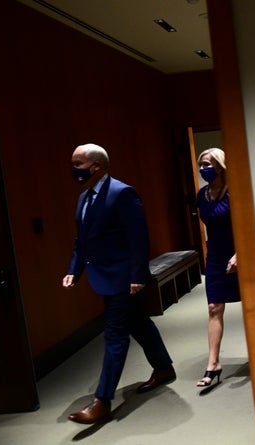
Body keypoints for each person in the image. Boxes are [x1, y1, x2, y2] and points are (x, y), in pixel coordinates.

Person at [63, 143, 176, 424]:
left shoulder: (121, 193)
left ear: (97, 166)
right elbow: (83, 240)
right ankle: (164, 368)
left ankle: (102, 400)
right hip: (103, 275)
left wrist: (139, 275)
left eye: (78, 163)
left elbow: (138, 238)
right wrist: (74, 270)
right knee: (139, 322)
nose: (73, 169)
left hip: (123, 278)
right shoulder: (83, 198)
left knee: (115, 335)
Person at [195, 148, 240, 387]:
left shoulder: (235, 193)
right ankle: (213, 364)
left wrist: (240, 254)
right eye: (201, 165)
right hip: (215, 256)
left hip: (240, 254)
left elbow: (248, 225)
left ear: (221, 166)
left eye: (208, 165)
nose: (204, 170)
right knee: (214, 307)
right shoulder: (202, 195)